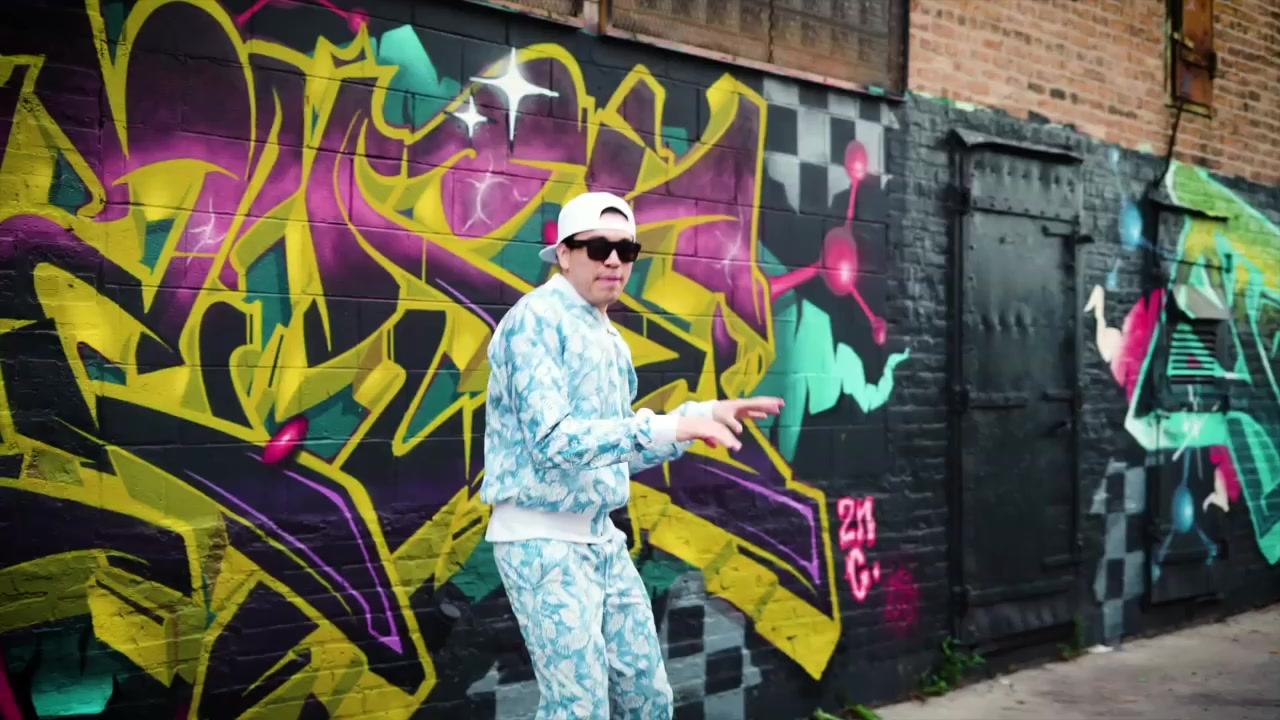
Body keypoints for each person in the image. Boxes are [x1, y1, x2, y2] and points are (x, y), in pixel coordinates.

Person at [480, 191, 785, 719]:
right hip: (541, 541)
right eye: (598, 248)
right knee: (578, 710)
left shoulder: (608, 338)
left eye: (627, 250)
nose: (614, 261)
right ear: (564, 253)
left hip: (601, 540)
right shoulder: (535, 321)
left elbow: (615, 452)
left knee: (648, 697)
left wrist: (702, 416)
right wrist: (667, 424)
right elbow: (554, 444)